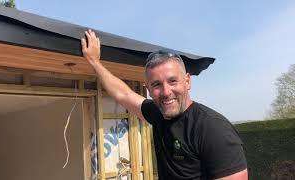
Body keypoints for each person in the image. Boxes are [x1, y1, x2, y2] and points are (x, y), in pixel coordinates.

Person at [81, 29, 248, 180]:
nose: (166, 92)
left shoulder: (212, 129)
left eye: (172, 81)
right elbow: (123, 94)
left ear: (187, 81)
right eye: (157, 85)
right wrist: (95, 62)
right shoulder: (158, 113)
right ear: (148, 89)